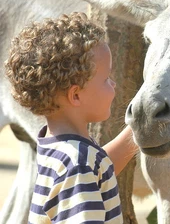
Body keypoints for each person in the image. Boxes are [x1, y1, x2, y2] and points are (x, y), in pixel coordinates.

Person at [5, 12, 138, 224]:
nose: (114, 85)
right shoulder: (78, 164)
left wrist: (137, 130)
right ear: (75, 94)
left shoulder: (60, 147)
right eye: (106, 79)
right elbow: (87, 172)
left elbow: (100, 170)